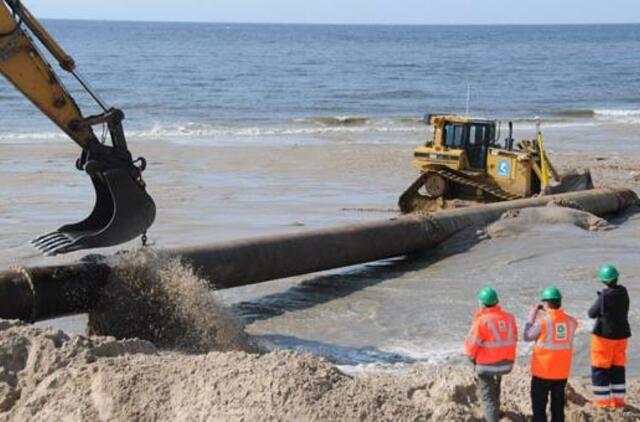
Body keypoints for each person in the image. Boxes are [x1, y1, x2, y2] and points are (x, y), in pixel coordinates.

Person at [524, 287, 578, 422]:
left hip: (543, 372)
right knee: (558, 408)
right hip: (561, 372)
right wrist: (551, 311)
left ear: (546, 304)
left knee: (539, 407)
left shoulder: (542, 322)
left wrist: (532, 316)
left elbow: (527, 336)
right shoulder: (571, 322)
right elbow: (561, 322)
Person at [465, 287, 518, 422]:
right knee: (495, 382)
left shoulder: (481, 321)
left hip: (487, 367)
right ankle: (497, 406)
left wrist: (473, 362)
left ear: (482, 304)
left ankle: (492, 416)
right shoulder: (510, 318)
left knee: (487, 398)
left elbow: (470, 349)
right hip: (507, 364)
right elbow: (514, 338)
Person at [588, 264, 631, 409]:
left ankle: (602, 402)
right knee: (618, 368)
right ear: (616, 278)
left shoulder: (605, 296)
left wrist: (601, 298)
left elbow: (591, 313)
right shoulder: (624, 292)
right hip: (622, 335)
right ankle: (619, 402)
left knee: (600, 368)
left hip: (604, 337)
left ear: (603, 281)